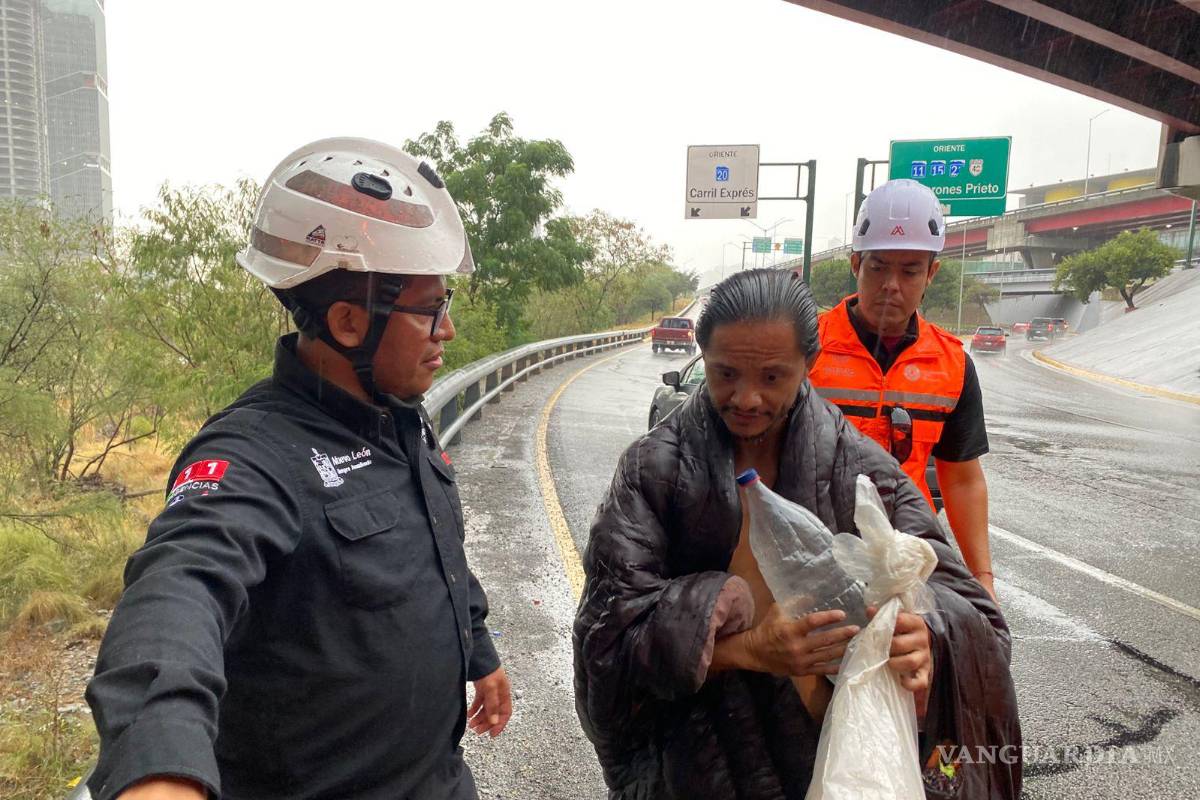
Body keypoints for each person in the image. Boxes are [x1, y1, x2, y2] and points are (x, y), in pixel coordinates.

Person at [85, 138, 511, 800]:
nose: (447, 331)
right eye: (431, 309)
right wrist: (159, 766)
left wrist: (478, 652)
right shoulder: (254, 454)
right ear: (348, 322)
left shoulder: (400, 417)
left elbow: (437, 546)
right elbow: (180, 586)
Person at [573, 269, 1020, 799]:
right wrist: (747, 649)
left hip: (830, 766)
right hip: (693, 772)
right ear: (702, 357)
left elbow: (977, 619)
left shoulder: (859, 468)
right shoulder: (655, 471)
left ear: (809, 365)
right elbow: (606, 641)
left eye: (772, 377)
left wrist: (929, 637)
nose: (746, 398)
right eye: (725, 374)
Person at [808, 179, 998, 601]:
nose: (891, 284)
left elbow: (962, 479)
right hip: (816, 559)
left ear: (931, 272)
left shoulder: (952, 365)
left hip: (906, 565)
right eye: (878, 267)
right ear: (856, 263)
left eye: (910, 269)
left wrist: (982, 580)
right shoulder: (806, 349)